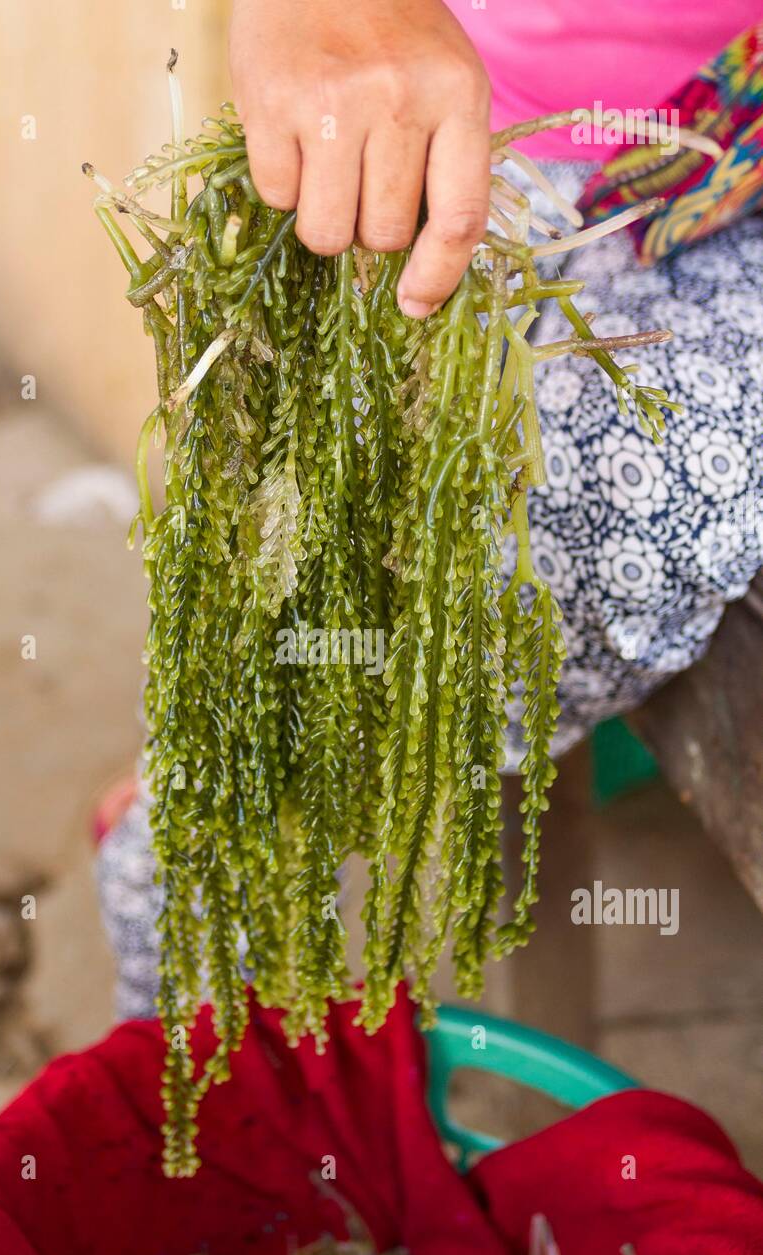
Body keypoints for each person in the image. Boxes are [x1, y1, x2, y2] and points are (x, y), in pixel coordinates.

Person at [97, 0, 763, 1019]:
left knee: (548, 511)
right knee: (318, 514)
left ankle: (231, 804)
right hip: (484, 140)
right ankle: (207, 807)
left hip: (721, 215)